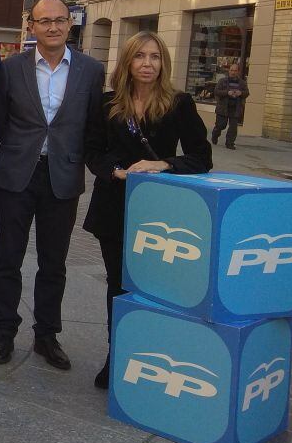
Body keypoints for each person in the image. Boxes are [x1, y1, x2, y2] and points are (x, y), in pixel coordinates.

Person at [84, 32, 212, 389]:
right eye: (140, 56)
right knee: (118, 284)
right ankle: (118, 353)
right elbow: (92, 151)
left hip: (161, 212)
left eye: (155, 57)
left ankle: (153, 354)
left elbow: (202, 157)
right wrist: (116, 171)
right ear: (127, 62)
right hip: (114, 207)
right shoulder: (108, 103)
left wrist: (164, 165)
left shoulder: (179, 103)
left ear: (163, 63)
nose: (147, 64)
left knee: (155, 287)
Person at [0, 0, 104, 370]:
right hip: (18, 173)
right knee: (9, 257)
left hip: (64, 176)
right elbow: (1, 120)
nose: (52, 27)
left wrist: (69, 157)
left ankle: (46, 336)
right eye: (44, 21)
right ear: (31, 26)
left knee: (53, 263)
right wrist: (25, 149)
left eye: (59, 20)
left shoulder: (91, 70)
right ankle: (4, 331)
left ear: (69, 24)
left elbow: (93, 124)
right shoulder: (11, 69)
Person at [211, 62, 249, 150]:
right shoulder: (222, 81)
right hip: (223, 107)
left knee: (233, 127)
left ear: (238, 72)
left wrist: (241, 93)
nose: (233, 72)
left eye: (235, 71)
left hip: (235, 108)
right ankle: (215, 135)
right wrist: (227, 93)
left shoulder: (242, 83)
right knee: (221, 125)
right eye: (231, 70)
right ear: (229, 71)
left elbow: (247, 93)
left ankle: (230, 143)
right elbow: (216, 91)